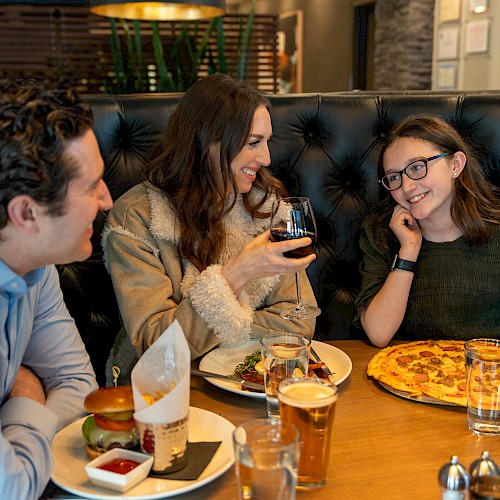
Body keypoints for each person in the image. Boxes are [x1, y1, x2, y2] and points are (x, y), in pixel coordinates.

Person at [102, 74, 317, 385]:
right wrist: (235, 275)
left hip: (248, 379)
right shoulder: (138, 217)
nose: (267, 158)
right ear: (208, 142)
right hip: (163, 389)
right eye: (253, 142)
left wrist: (217, 331)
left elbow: (299, 320)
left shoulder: (265, 207)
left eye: (267, 142)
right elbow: (155, 346)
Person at [0, 80, 113, 499]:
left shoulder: (35, 263)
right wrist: (27, 397)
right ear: (27, 213)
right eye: (90, 187)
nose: (107, 201)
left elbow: (79, 384)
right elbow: (11, 489)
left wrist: (16, 425)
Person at [355, 114, 500, 347]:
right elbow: (379, 333)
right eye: (394, 177)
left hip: (489, 375)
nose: (407, 186)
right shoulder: (379, 233)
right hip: (411, 371)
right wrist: (409, 250)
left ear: (455, 165)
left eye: (417, 167)